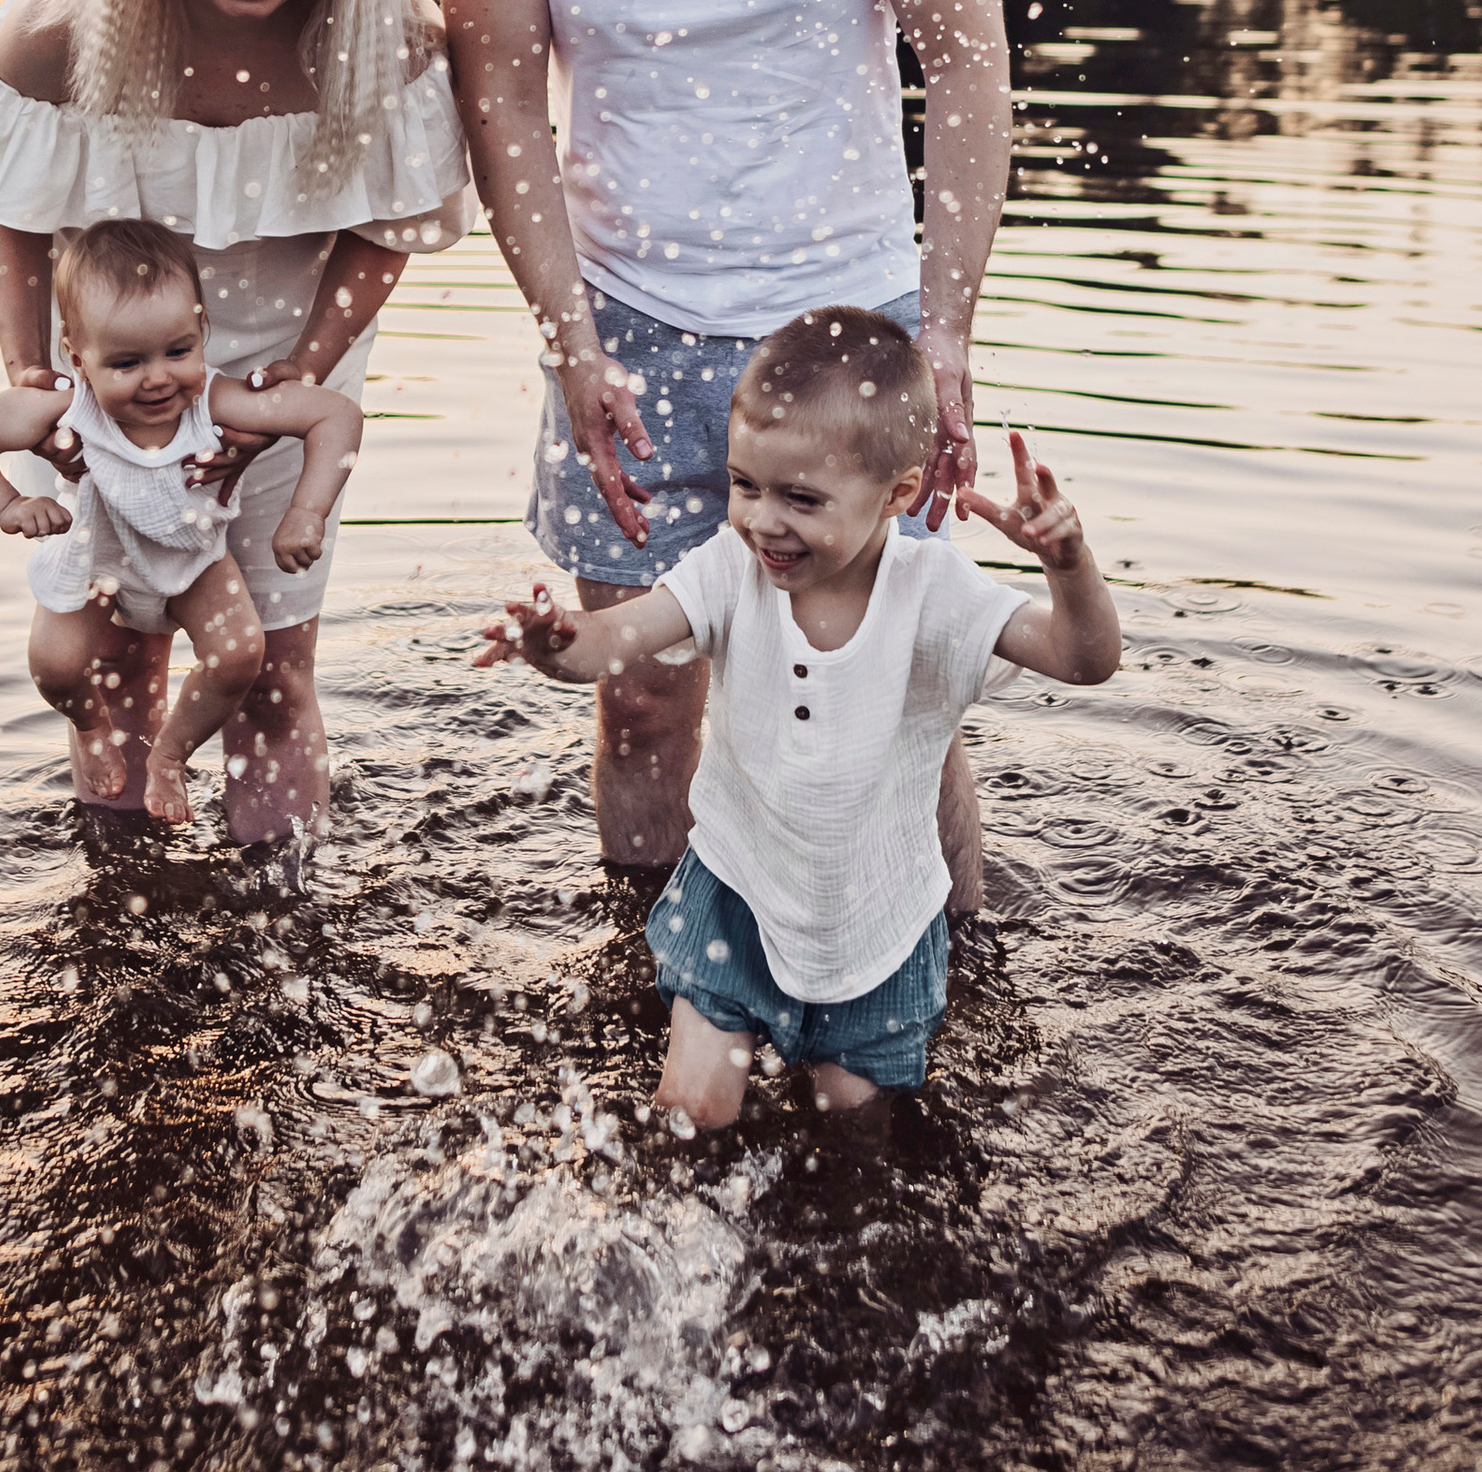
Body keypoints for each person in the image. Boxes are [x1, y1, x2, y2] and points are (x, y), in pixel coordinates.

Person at [439, 0, 1015, 889]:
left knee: (896, 709)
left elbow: (970, 66)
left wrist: (944, 332)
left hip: (850, 322)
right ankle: (657, 988)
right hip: (630, 326)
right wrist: (569, 338)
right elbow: (505, 105)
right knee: (640, 696)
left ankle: (955, 980)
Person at [0, 0, 474, 832]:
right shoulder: (65, 28)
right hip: (122, 369)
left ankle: (280, 919)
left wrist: (295, 378)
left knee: (268, 665)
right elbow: (7, 202)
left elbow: (391, 223)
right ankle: (127, 901)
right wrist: (35, 374)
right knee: (108, 671)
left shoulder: (386, 33)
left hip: (284, 362)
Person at [476, 310, 1119, 1122]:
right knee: (689, 1118)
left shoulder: (936, 595)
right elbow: (612, 641)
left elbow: (1084, 659)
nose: (763, 520)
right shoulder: (728, 571)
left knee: (855, 1137)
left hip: (876, 924)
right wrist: (554, 643)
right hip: (736, 891)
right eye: (746, 485)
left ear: (899, 493)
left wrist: (1070, 567)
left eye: (801, 498)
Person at [0, 218, 366, 827]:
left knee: (242, 655)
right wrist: (7, 504)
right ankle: (91, 725)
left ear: (202, 332)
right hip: (95, 561)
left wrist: (306, 511)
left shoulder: (216, 399)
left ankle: (170, 753)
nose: (159, 377)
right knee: (55, 666)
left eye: (178, 351)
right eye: (128, 362)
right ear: (79, 359)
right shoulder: (67, 405)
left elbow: (336, 417)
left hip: (194, 563)